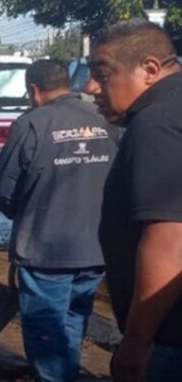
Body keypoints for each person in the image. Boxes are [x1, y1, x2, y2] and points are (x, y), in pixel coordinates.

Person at [0, 59, 119, 382]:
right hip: (95, 247)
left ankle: (55, 377)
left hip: (45, 250)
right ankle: (66, 373)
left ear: (34, 90)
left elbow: (5, 188)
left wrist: (22, 212)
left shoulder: (31, 124)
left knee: (45, 328)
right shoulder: (107, 120)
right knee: (75, 317)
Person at [85, 20, 182, 382]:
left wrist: (137, 342)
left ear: (150, 69)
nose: (90, 86)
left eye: (102, 72)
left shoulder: (157, 122)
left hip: (169, 341)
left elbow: (171, 242)